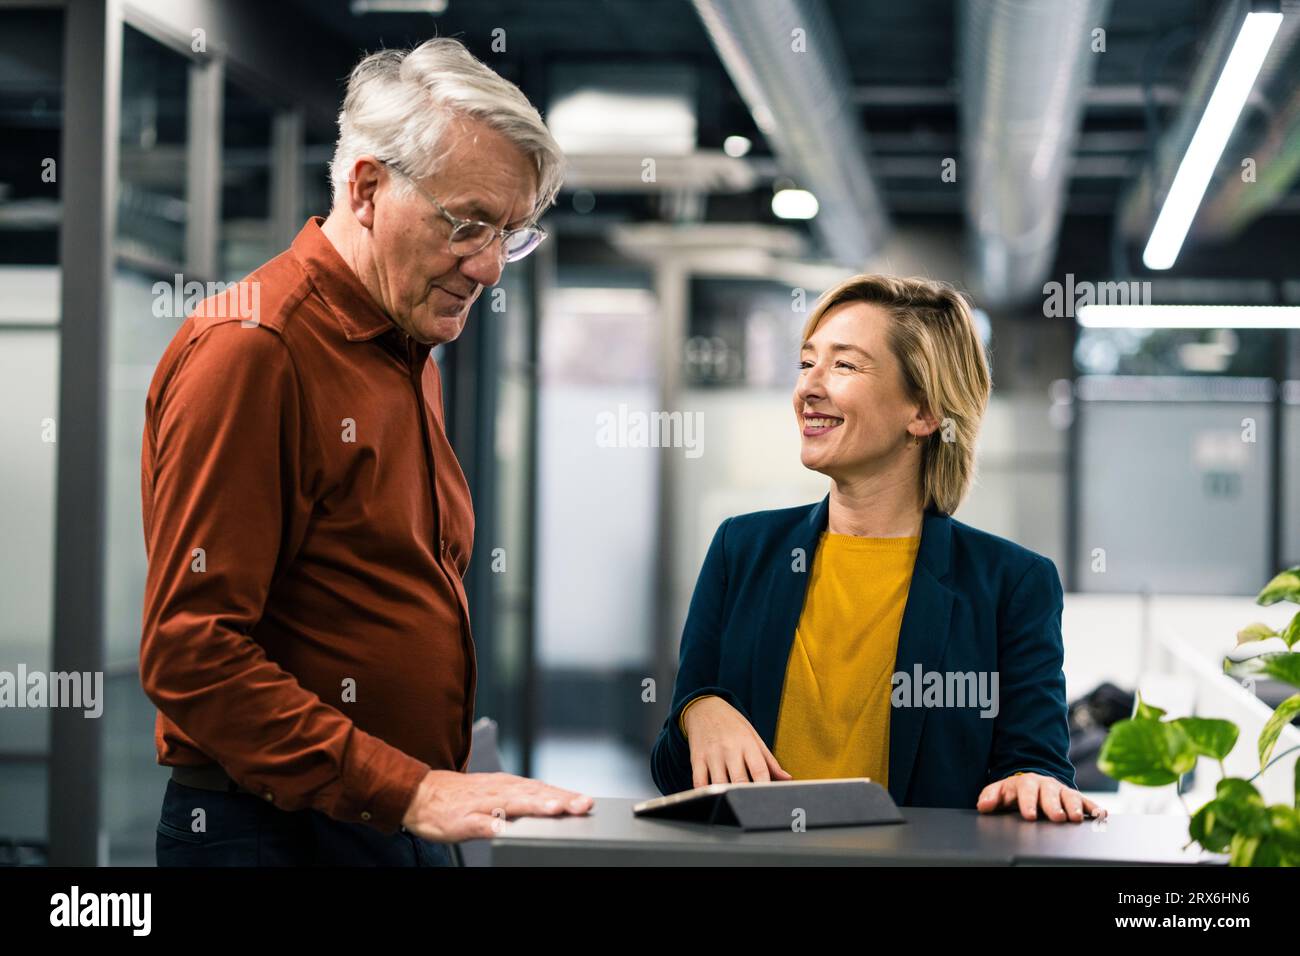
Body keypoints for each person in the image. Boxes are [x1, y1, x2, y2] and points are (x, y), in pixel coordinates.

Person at [140, 38, 592, 866]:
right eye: (468, 225)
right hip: (279, 834)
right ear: (367, 187)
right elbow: (192, 652)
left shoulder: (405, 346)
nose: (489, 268)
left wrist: (417, 791)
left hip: (391, 816)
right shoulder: (255, 348)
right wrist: (406, 788)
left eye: (511, 235)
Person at [650, 274, 1107, 824]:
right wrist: (699, 711)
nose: (808, 388)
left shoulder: (1011, 583)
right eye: (805, 363)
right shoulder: (742, 551)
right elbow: (674, 775)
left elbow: (1036, 764)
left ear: (923, 412)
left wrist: (1035, 782)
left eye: (844, 365)